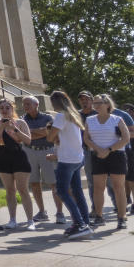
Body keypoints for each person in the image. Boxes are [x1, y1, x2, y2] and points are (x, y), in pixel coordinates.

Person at [46, 91, 93, 239]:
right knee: (77, 192)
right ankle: (84, 222)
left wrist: (49, 133)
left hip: (66, 159)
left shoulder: (61, 116)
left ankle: (79, 223)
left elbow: (50, 137)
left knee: (62, 191)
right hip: (77, 158)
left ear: (56, 102)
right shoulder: (74, 115)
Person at [84, 94, 132, 229]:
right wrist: (98, 149)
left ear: (107, 104)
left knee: (118, 187)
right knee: (98, 188)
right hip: (97, 155)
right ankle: (99, 216)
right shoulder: (90, 120)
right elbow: (86, 138)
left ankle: (122, 217)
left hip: (116, 155)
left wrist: (109, 150)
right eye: (95, 103)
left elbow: (126, 138)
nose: (96, 105)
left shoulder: (117, 119)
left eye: (99, 103)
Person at [0, 99, 36, 230]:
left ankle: (30, 221)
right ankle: (12, 219)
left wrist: (15, 129)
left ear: (12, 109)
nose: (4, 110)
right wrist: (2, 127)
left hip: (18, 155)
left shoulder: (21, 122)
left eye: (7, 108)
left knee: (23, 189)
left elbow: (28, 140)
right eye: (2, 108)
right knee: (10, 190)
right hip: (3, 156)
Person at [22, 96, 64, 225]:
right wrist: (40, 131)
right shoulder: (23, 119)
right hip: (30, 151)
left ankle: (59, 213)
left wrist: (31, 132)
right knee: (34, 182)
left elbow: (49, 132)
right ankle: (42, 212)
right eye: (24, 104)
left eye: (28, 104)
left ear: (36, 104)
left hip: (47, 151)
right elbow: (24, 135)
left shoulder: (47, 118)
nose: (25, 106)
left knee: (53, 183)